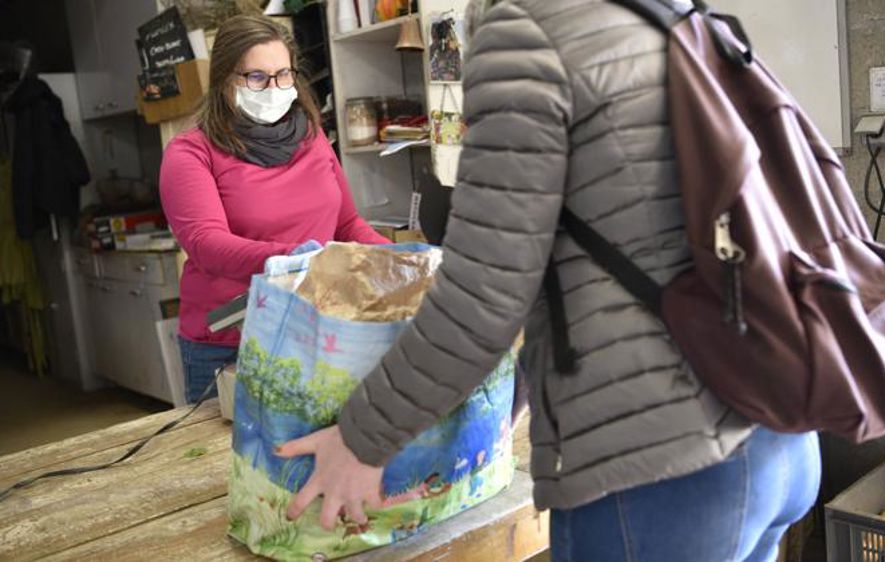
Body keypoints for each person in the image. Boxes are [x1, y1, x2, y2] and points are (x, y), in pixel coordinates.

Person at [276, 1, 821, 560]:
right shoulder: (663, 14)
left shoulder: (527, 35)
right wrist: (516, 396)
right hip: (774, 428)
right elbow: (592, 260)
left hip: (661, 473)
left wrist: (361, 440)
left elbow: (480, 298)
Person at [160, 16, 388, 404]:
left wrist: (402, 259)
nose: (274, 88)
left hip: (317, 328)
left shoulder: (310, 136)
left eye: (283, 75)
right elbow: (206, 243)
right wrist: (293, 259)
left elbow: (347, 223)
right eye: (257, 78)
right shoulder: (191, 153)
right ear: (224, 80)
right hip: (231, 341)